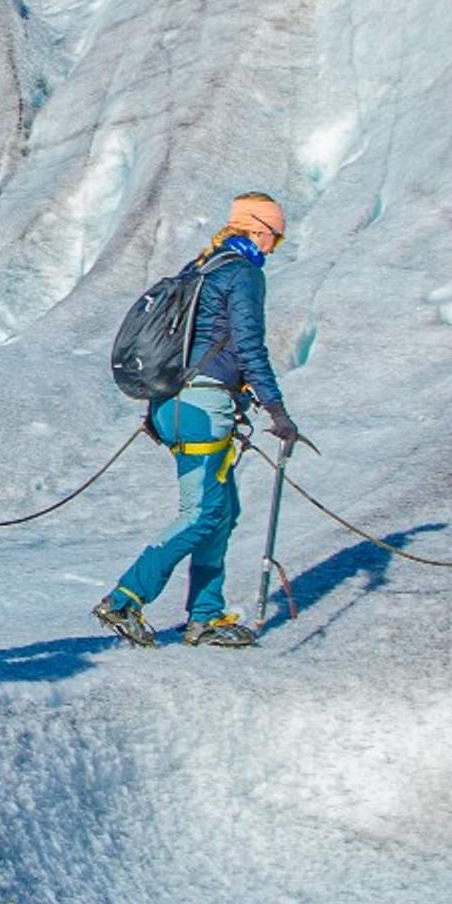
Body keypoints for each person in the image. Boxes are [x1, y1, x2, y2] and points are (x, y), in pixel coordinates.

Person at [98, 194, 298, 650]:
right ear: (256, 229)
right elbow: (249, 346)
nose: (274, 247)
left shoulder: (201, 268)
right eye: (275, 236)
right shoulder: (242, 273)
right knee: (202, 513)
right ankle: (125, 600)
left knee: (221, 511)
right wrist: (276, 409)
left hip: (172, 404)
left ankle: (205, 615)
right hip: (203, 406)